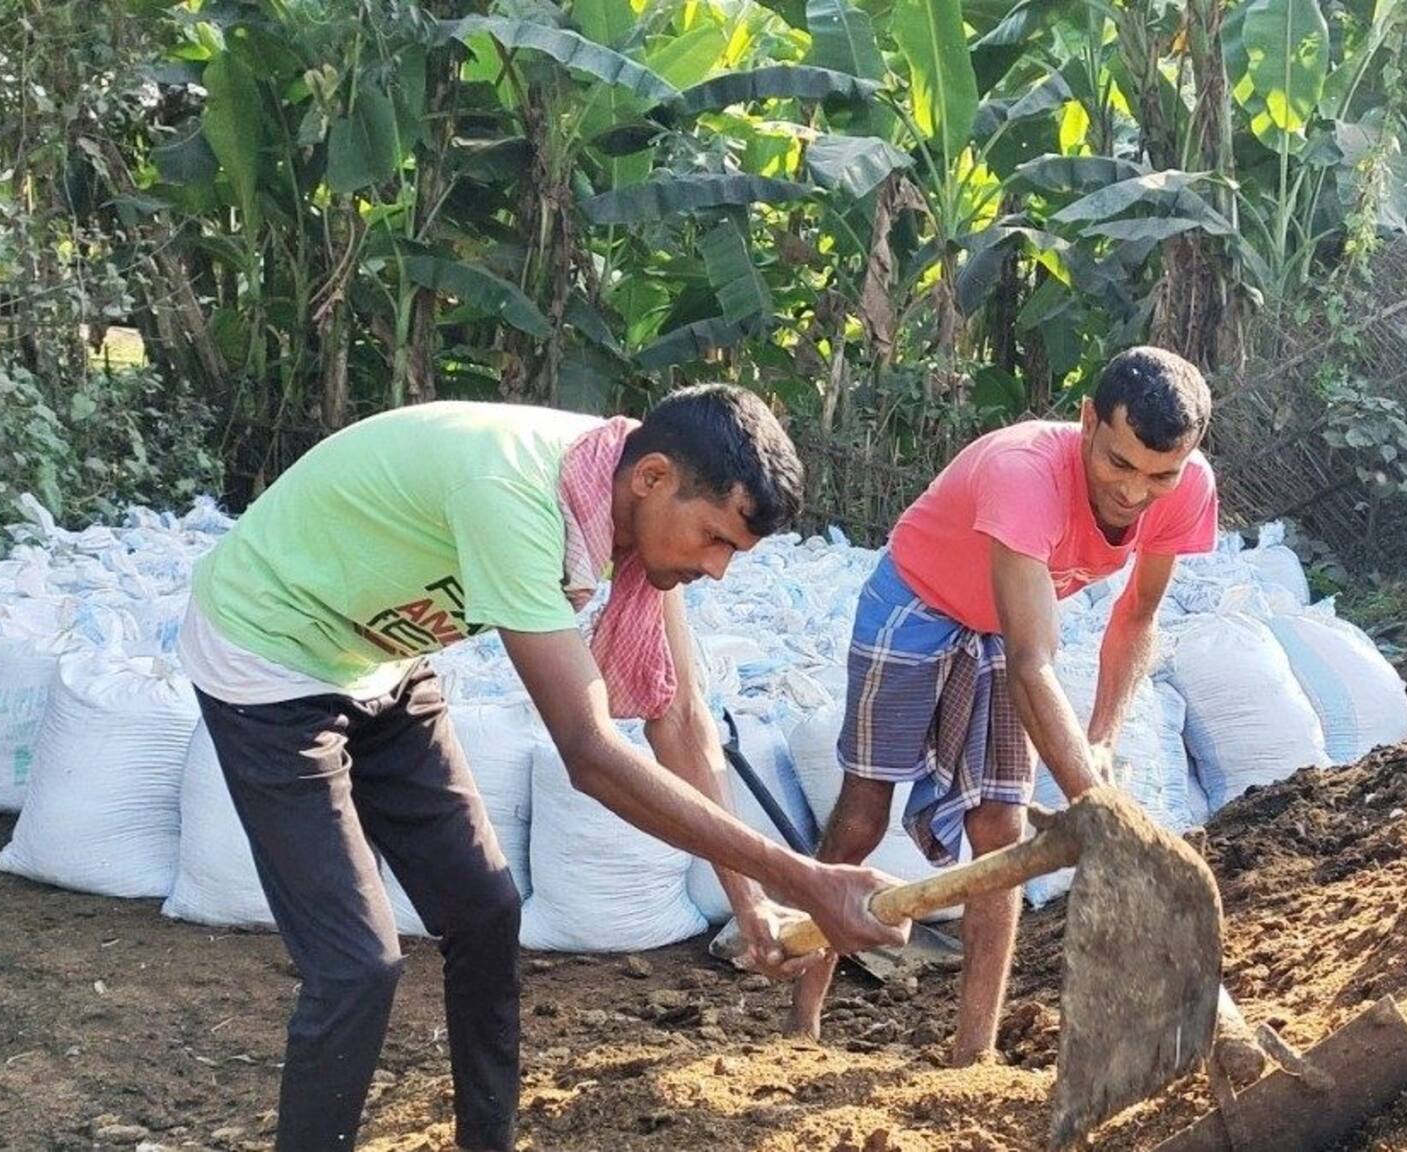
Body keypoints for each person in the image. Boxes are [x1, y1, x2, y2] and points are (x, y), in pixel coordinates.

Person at [177, 386, 908, 1152]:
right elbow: (589, 754)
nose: (717, 569)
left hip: (379, 661)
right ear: (653, 478)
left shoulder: (621, 499)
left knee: (488, 912)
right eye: (713, 539)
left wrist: (751, 903)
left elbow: (680, 718)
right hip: (267, 657)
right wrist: (808, 879)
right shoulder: (515, 495)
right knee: (358, 966)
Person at [787, 346, 1220, 1065]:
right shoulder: (1025, 474)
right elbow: (1032, 663)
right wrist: (1094, 804)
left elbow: (1137, 616)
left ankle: (972, 1056)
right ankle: (800, 1025)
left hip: (1001, 622)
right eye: (1118, 464)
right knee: (862, 815)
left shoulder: (1189, 489)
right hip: (917, 601)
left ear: (1189, 457)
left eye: (1159, 475)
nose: (1135, 494)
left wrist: (1101, 740)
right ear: (1087, 421)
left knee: (1003, 829)